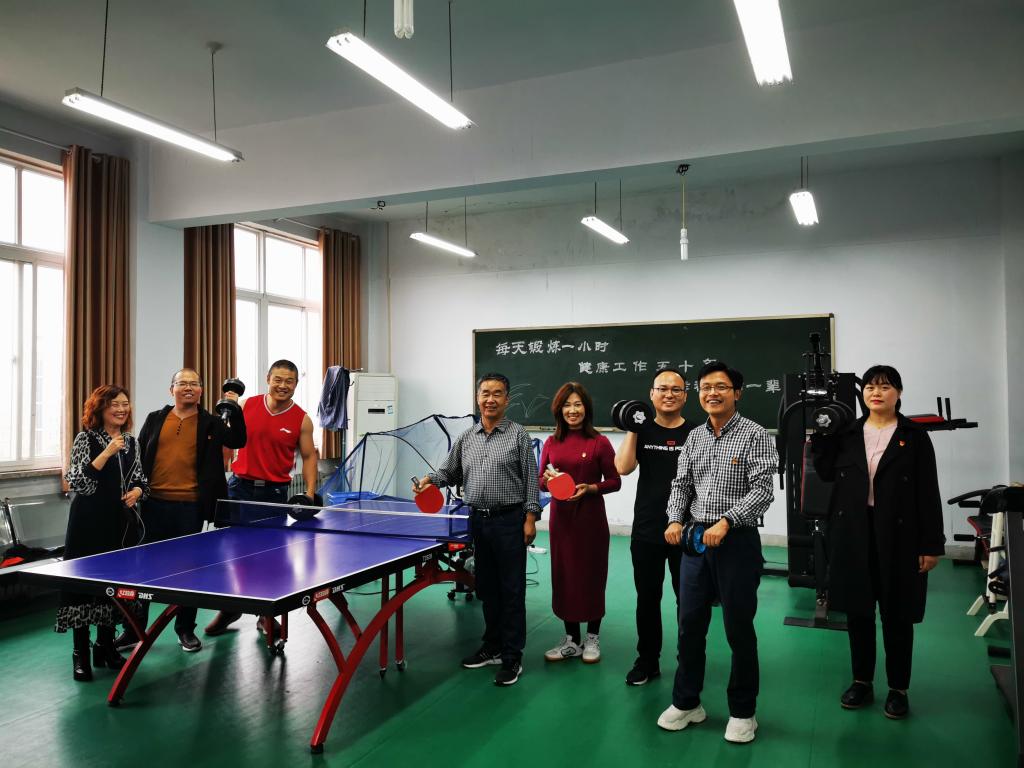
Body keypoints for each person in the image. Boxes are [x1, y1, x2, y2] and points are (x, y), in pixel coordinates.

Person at [811, 365, 944, 720]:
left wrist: (931, 545)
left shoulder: (914, 437)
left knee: (897, 614)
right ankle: (862, 681)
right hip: (853, 532)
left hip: (900, 535)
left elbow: (928, 492)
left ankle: (898, 689)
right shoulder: (848, 433)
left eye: (885, 387)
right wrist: (822, 437)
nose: (876, 393)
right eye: (870, 387)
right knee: (858, 611)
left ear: (898, 393)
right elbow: (824, 472)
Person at [658, 361, 777, 744]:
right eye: (706, 386)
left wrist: (727, 521)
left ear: (737, 393)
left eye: (721, 386)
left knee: (738, 629)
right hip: (695, 542)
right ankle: (687, 702)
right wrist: (674, 519)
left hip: (736, 543)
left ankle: (743, 712)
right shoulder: (694, 437)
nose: (712, 393)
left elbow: (763, 490)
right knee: (689, 625)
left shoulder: (756, 435)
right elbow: (681, 484)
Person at [413, 372, 541, 687]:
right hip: (479, 522)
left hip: (509, 521)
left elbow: (531, 481)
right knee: (487, 589)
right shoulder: (467, 437)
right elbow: (449, 471)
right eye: (485, 393)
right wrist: (430, 480)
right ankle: (493, 646)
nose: (490, 399)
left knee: (512, 591)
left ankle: (512, 657)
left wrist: (530, 518)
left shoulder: (518, 435)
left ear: (506, 399)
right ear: (477, 397)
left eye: (497, 393)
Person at [125, 368, 246, 653]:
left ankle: (185, 629)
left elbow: (238, 440)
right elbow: (139, 457)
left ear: (201, 391)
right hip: (152, 505)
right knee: (143, 571)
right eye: (182, 383)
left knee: (188, 572)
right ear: (172, 389)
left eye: (194, 384)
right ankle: (133, 630)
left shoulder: (212, 422)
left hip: (190, 507)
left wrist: (235, 408)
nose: (188, 387)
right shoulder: (155, 418)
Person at [204, 359, 318, 638]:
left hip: (274, 493)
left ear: (296, 384)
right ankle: (230, 608)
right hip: (239, 489)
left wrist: (310, 492)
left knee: (271, 557)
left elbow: (308, 456)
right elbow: (224, 440)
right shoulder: (245, 406)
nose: (282, 385)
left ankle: (266, 615)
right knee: (233, 554)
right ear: (268, 379)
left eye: (289, 381)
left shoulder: (301, 419)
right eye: (277, 379)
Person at [58, 385, 148, 681]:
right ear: (100, 408)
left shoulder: (132, 442)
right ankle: (80, 653)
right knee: (83, 587)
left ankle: (105, 647)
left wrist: (137, 491)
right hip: (87, 525)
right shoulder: (85, 438)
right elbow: (77, 482)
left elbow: (141, 479)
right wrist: (107, 453)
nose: (121, 409)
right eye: (114, 404)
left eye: (125, 404)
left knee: (113, 587)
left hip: (119, 526)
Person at [614, 367, 697, 685]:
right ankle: (647, 661)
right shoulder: (642, 431)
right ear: (651, 394)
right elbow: (623, 468)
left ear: (685, 396)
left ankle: (687, 661)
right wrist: (634, 426)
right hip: (647, 529)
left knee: (687, 600)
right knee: (647, 598)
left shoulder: (696, 433)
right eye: (662, 389)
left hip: (686, 531)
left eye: (676, 390)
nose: (669, 394)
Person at [539, 382, 620, 664]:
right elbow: (540, 480)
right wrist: (549, 481)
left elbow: (615, 481)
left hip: (591, 521)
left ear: (586, 408)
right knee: (565, 577)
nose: (572, 410)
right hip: (561, 521)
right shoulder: (551, 443)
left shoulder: (600, 442)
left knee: (592, 576)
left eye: (577, 404)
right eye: (566, 405)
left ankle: (592, 637)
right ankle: (571, 640)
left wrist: (591, 488)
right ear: (559, 410)